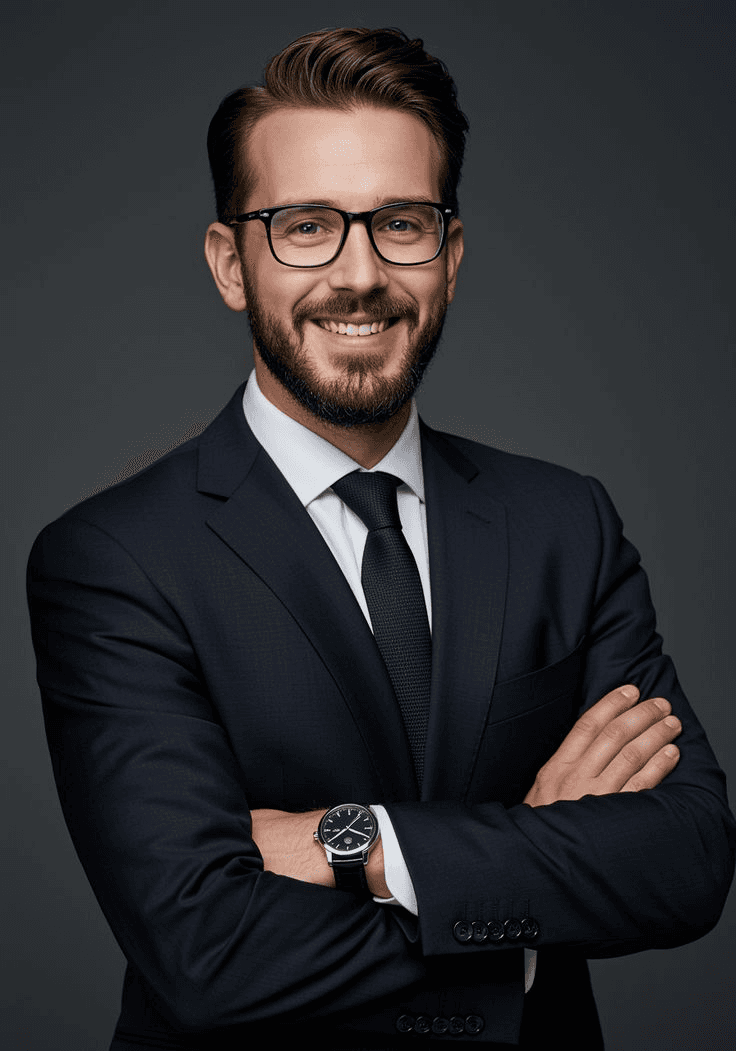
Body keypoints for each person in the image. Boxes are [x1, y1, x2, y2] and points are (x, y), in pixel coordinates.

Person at [27, 26, 734, 1050]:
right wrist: (526, 903)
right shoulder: (113, 560)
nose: (359, 274)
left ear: (450, 255)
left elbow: (688, 857)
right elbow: (205, 950)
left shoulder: (563, 523)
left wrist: (357, 844)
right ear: (231, 264)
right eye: (306, 226)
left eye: (401, 223)